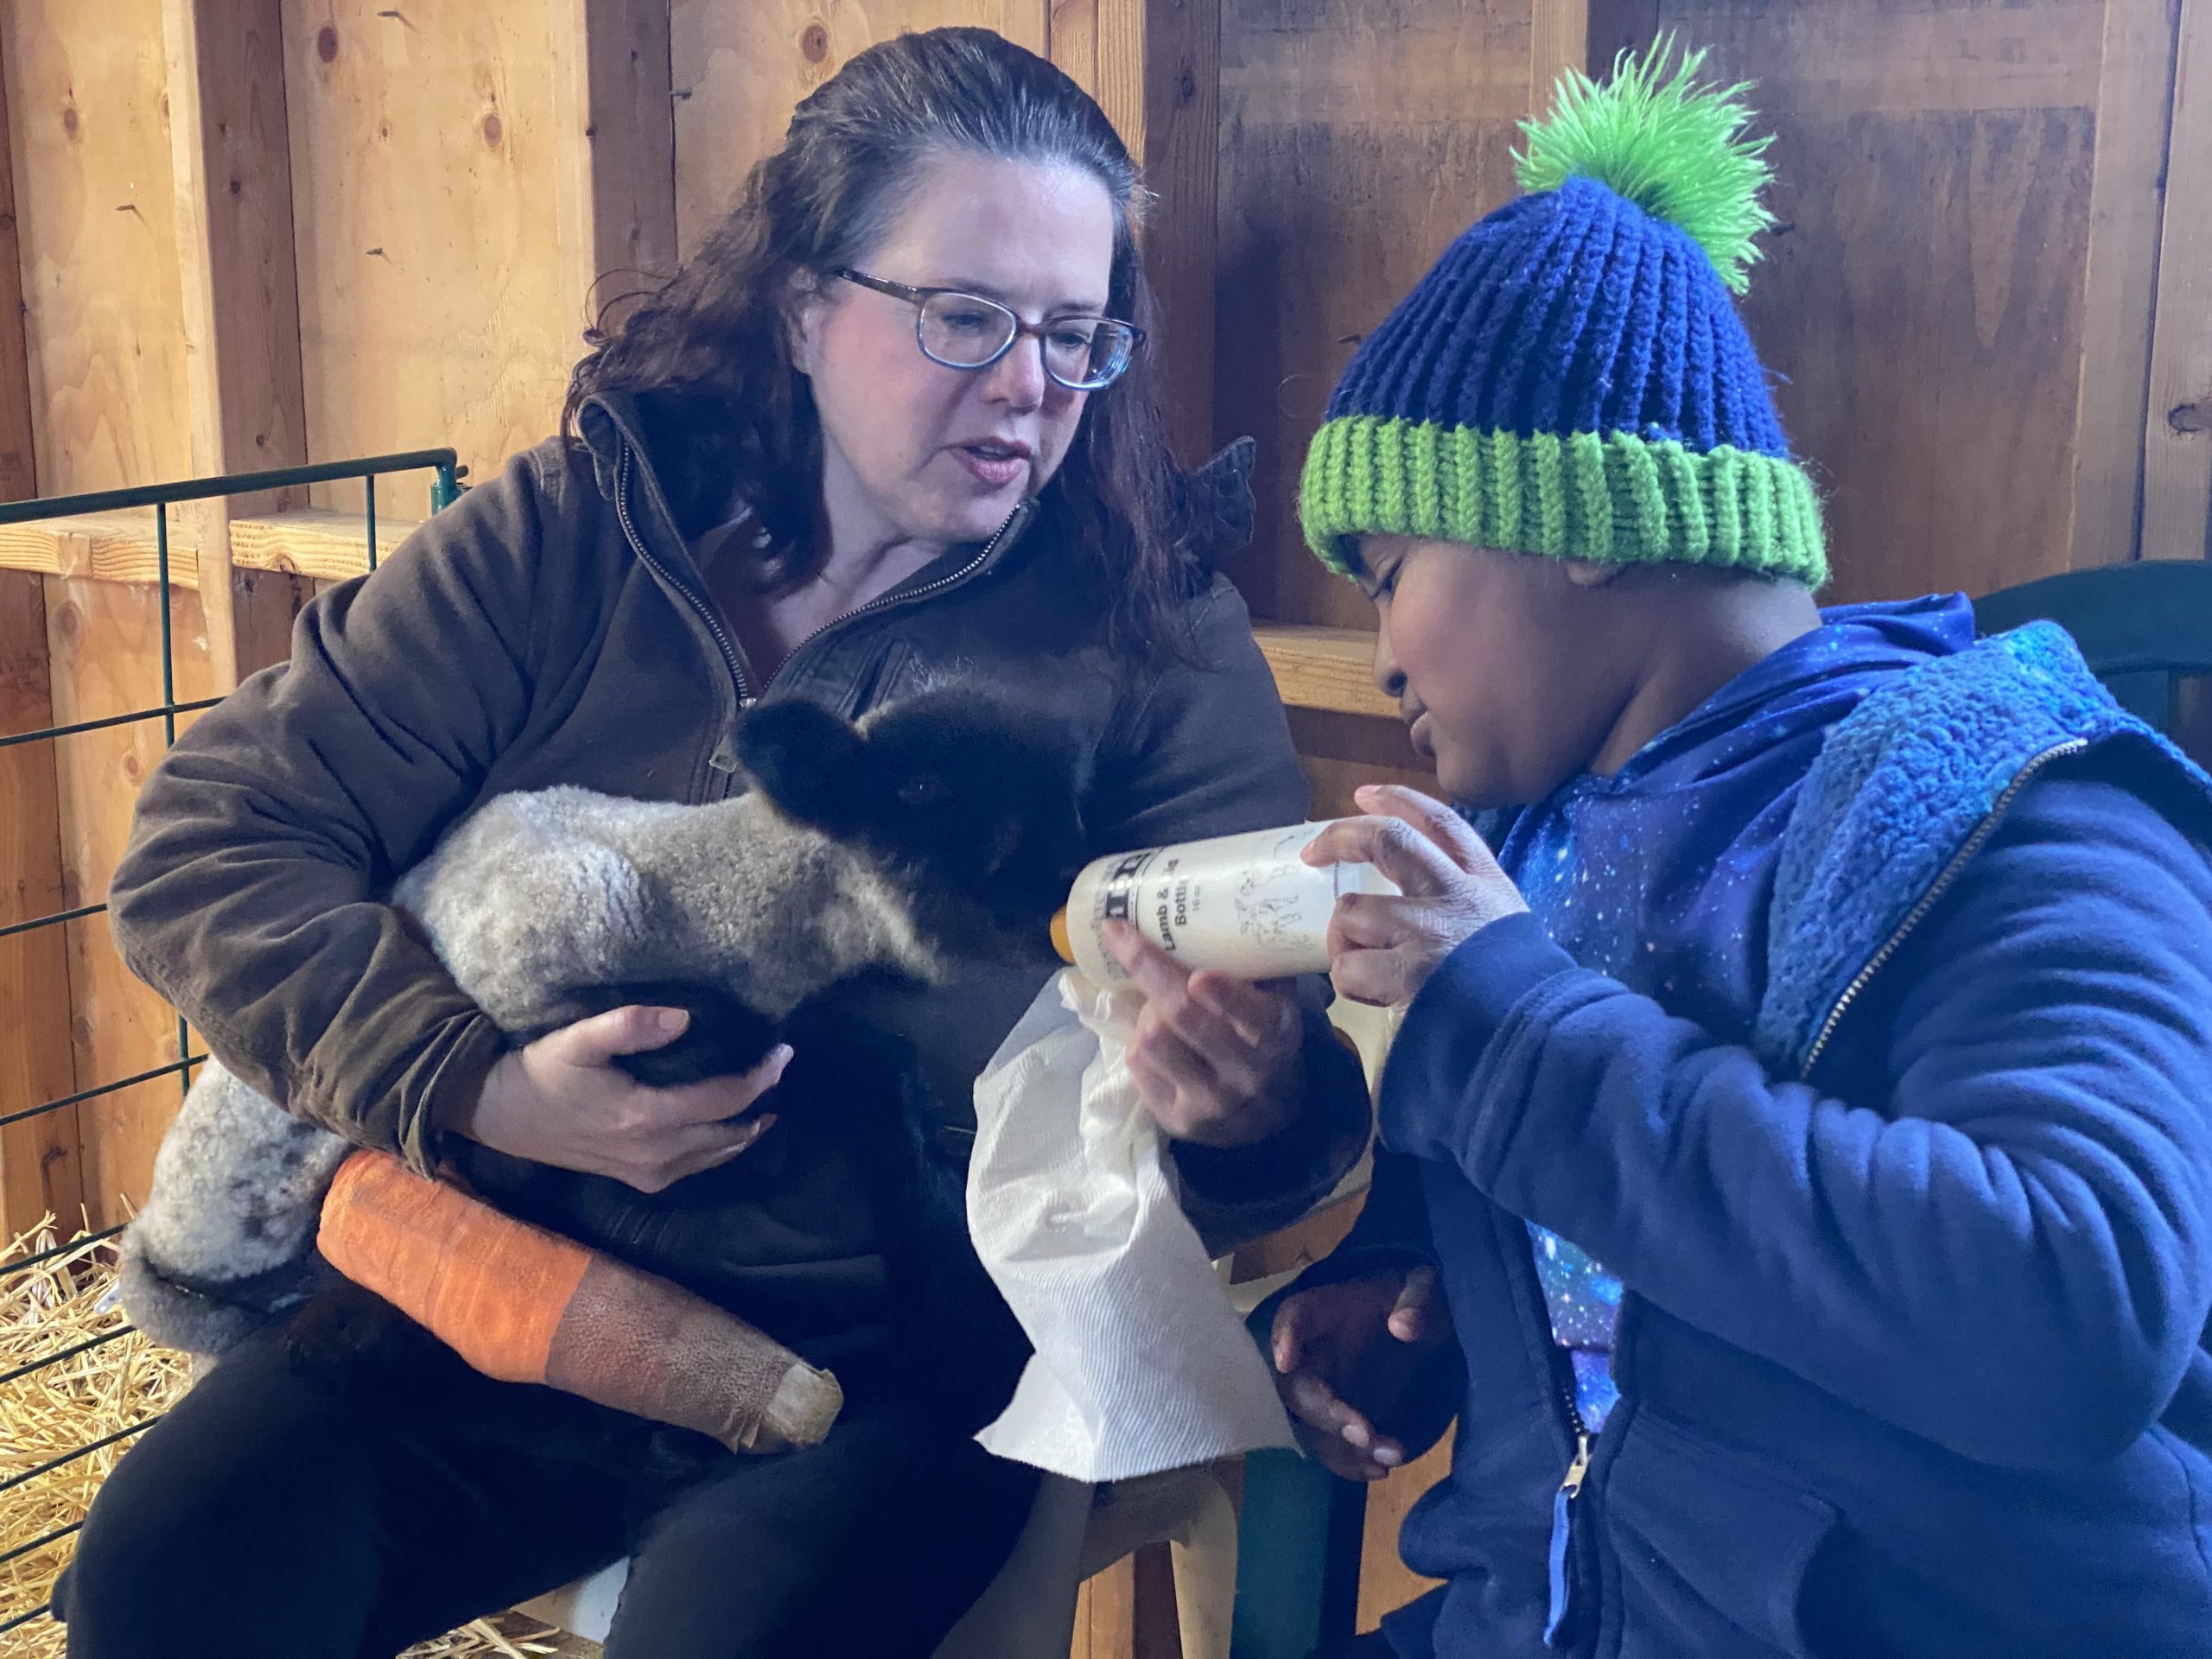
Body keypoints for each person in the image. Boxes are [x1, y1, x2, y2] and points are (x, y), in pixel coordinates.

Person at [60, 28, 1368, 1658]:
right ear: (809, 307)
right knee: (164, 1583)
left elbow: (1283, 1121)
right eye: (966, 317)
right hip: (497, 1277)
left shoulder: (1151, 633)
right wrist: (472, 1087)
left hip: (885, 1362)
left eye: (1075, 333)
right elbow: (211, 843)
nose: (1030, 385)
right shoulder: (577, 533)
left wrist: (1243, 1112)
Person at [1268, 41, 2212, 1659]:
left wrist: (1502, 1029)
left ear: (1567, 517)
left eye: (1390, 567)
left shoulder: (2011, 802)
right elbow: (1605, 1235)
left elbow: (2074, 1308)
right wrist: (1420, 1305)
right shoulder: (1535, 833)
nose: (1386, 662)